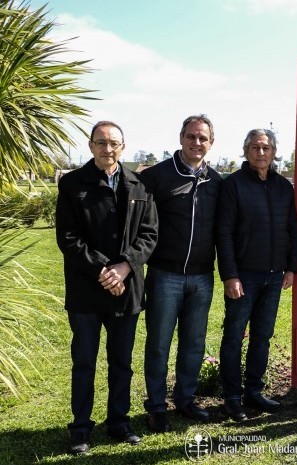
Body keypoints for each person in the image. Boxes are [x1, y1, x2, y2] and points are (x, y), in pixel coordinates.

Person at [56, 121, 158, 454]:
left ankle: (119, 423)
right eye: (101, 142)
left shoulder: (139, 185)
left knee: (121, 362)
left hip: (125, 291)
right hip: (87, 290)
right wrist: (104, 269)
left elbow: (149, 235)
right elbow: (68, 238)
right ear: (90, 146)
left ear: (123, 147)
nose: (108, 148)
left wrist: (125, 265)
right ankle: (81, 429)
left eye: (114, 143)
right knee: (84, 361)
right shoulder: (73, 184)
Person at [140, 115, 222, 432]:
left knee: (194, 343)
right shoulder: (157, 177)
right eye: (191, 136)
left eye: (203, 138)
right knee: (159, 343)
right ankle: (157, 406)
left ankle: (186, 400)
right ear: (181, 138)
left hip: (202, 278)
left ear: (211, 143)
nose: (196, 143)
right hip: (165, 275)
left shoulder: (217, 182)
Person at [217, 128, 297, 421]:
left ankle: (254, 391)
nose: (260, 152)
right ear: (246, 151)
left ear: (274, 151)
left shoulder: (283, 187)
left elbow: (292, 229)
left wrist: (291, 267)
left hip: (274, 275)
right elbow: (223, 233)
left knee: (262, 337)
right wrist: (230, 275)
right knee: (234, 336)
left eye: (265, 147)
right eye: (254, 147)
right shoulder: (233, 185)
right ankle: (231, 397)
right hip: (244, 276)